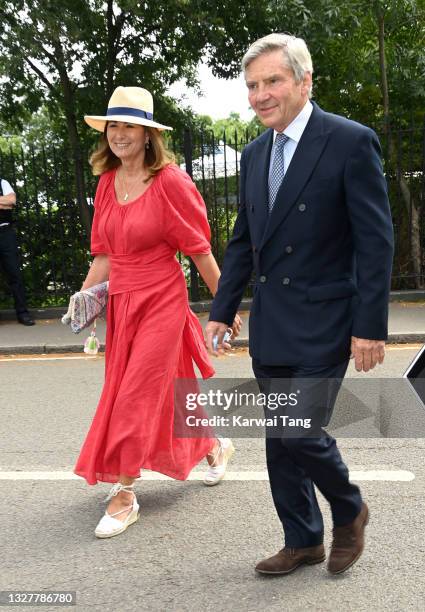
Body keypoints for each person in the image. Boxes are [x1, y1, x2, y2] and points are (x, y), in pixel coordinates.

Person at [206, 33, 394, 576]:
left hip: (328, 318)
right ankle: (303, 538)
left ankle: (349, 506)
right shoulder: (253, 153)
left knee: (298, 430)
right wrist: (221, 309)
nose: (260, 95)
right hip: (273, 323)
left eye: (272, 81)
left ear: (304, 82)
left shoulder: (349, 141)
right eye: (252, 86)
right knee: (279, 439)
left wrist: (370, 326)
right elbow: (245, 238)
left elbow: (376, 241)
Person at [74, 86, 240, 538]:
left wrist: (223, 307)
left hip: (163, 300)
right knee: (157, 393)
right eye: (113, 125)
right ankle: (213, 447)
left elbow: (199, 250)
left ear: (148, 134)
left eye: (129, 125)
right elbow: (104, 255)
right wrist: (83, 300)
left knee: (133, 396)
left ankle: (125, 495)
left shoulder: (171, 182)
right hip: (123, 304)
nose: (119, 133)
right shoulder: (107, 183)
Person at [0, 177, 34, 325]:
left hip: (5, 233)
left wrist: (7, 202)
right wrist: (3, 202)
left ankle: (22, 313)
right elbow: (5, 203)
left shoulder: (2, 182)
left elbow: (11, 201)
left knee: (15, 273)